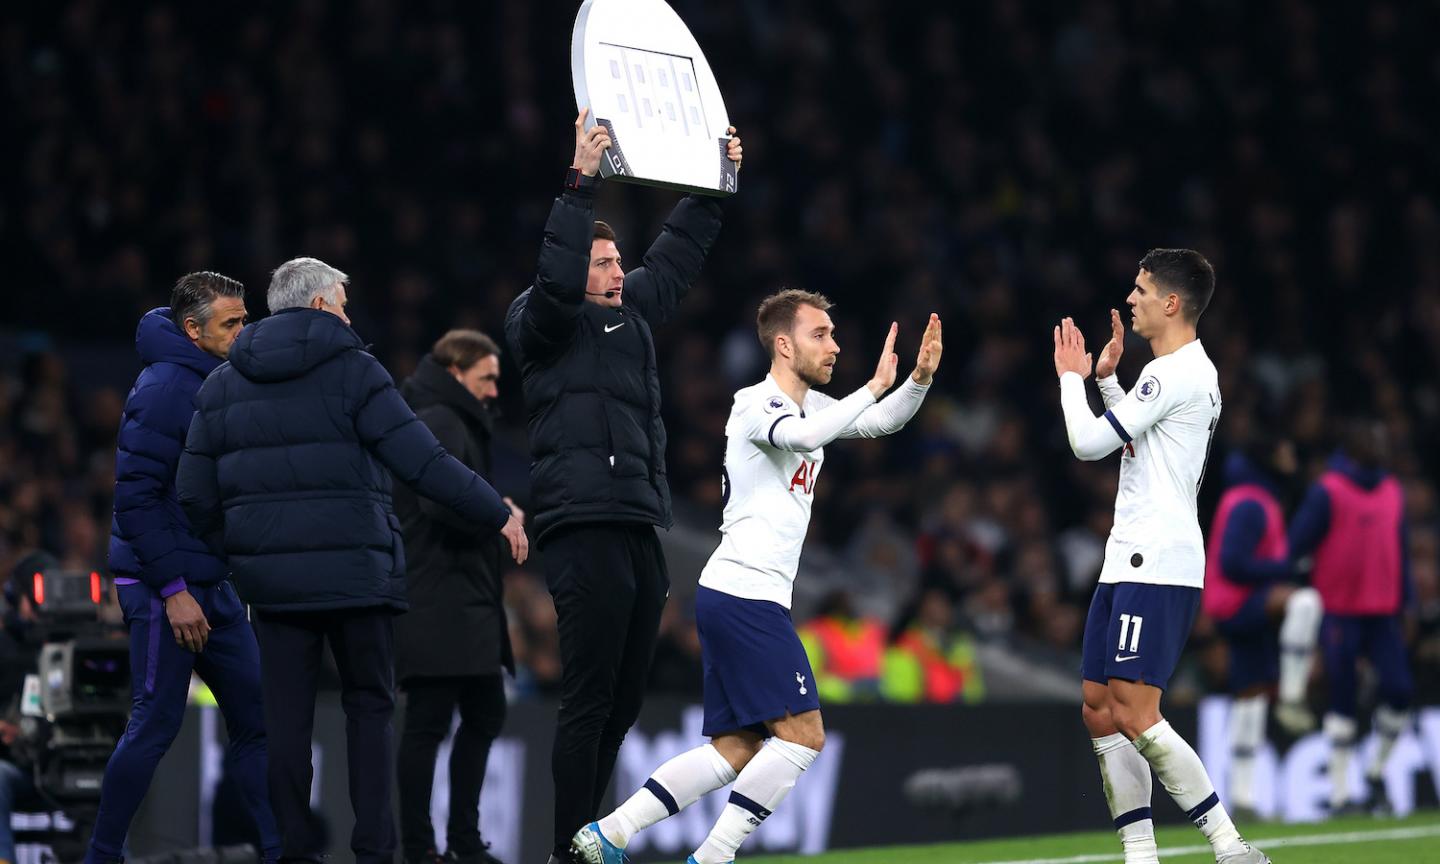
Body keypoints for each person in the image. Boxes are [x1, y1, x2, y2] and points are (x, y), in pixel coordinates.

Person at [572, 289, 942, 864]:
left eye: (834, 335)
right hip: (746, 592)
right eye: (820, 334)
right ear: (783, 343)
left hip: (741, 594)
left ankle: (609, 833)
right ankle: (713, 858)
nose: (834, 346)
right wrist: (870, 387)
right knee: (805, 735)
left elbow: (879, 423)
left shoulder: (813, 408)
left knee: (737, 748)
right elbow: (803, 439)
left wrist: (916, 380)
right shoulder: (754, 405)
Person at [178, 258, 527, 864]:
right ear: (317, 306)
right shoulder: (355, 373)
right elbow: (423, 462)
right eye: (341, 303)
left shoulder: (223, 385)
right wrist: (494, 512)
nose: (347, 314)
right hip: (358, 581)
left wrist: (241, 553)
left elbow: (193, 494)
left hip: (276, 588)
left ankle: (291, 853)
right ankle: (374, 852)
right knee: (369, 713)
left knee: (284, 723)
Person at [504, 110, 742, 864]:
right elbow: (553, 274)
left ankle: (587, 841)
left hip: (640, 525)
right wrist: (578, 183)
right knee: (588, 700)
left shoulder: (631, 317)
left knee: (624, 702)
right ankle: (565, 851)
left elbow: (674, 257)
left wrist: (716, 184)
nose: (616, 271)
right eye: (602, 262)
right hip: (581, 526)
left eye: (616, 261)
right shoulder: (539, 324)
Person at [1053, 249, 1267, 864]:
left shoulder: (1175, 373)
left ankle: (1231, 846)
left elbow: (1090, 443)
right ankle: (1140, 855)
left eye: (1142, 289)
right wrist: (1106, 382)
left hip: (1159, 560)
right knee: (1099, 708)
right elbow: (1146, 448)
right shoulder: (1179, 374)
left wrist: (1071, 377)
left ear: (1172, 303)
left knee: (1134, 709)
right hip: (1127, 558)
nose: (1131, 298)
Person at [91, 273, 280, 864]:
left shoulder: (223, 378)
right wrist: (173, 589)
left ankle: (280, 853)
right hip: (160, 585)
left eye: (245, 319)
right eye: (232, 323)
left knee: (258, 721)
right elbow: (136, 499)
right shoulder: (167, 388)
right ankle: (101, 857)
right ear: (193, 330)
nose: (244, 331)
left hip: (212, 583)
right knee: (155, 725)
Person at [393, 330, 520, 864]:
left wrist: (496, 506)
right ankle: (428, 847)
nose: (494, 390)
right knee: (430, 724)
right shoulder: (441, 420)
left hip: (456, 598)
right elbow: (444, 506)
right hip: (440, 599)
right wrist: (500, 516)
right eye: (486, 378)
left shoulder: (447, 418)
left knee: (477, 712)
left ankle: (456, 842)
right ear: (455, 374)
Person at [1288, 417, 1414, 816]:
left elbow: (1403, 552)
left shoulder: (1393, 491)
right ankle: (1342, 794)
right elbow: (1296, 544)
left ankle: (1375, 770)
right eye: (1374, 439)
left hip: (1382, 612)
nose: (1382, 445)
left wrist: (1406, 602)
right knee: (1341, 696)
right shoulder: (1328, 491)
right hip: (1340, 610)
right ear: (1355, 445)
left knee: (1400, 690)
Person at [1203, 432, 1322, 819]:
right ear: (1270, 457)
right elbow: (1233, 563)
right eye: (1285, 449)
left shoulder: (1251, 497)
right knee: (1305, 600)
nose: (1292, 455)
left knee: (1249, 697)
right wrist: (1288, 569)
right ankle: (1290, 694)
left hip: (1237, 607)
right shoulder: (1252, 504)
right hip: (1237, 603)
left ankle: (1243, 796)